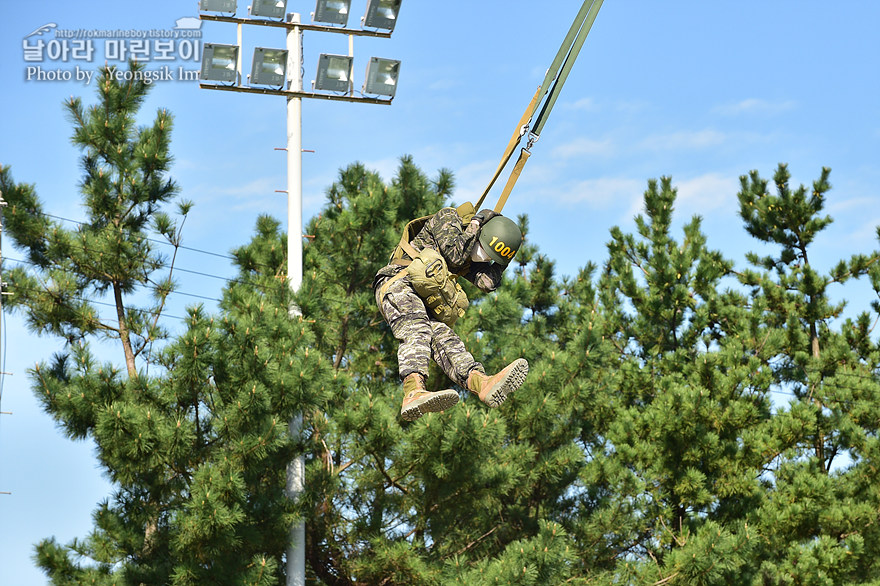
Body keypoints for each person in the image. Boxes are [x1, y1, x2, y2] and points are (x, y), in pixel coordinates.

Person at [373, 205, 529, 421]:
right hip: (398, 283)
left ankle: (480, 382)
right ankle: (412, 390)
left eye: (489, 257)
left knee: (447, 340)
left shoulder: (470, 251)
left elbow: (486, 283)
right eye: (484, 251)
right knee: (416, 329)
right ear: (478, 232)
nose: (484, 259)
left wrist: (504, 261)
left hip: (423, 300)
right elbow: (455, 257)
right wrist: (476, 223)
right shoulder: (448, 218)